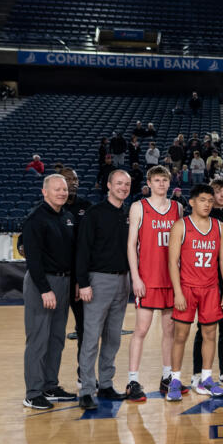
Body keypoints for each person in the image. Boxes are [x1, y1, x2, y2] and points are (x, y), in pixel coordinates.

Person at [166, 184, 223, 400]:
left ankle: (206, 378)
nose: (207, 204)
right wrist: (177, 292)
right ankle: (174, 381)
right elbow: (172, 262)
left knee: (210, 335)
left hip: (211, 288)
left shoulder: (218, 226)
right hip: (187, 288)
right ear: (192, 202)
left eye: (210, 201)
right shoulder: (180, 226)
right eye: (203, 200)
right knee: (181, 336)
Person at [125, 166, 184, 402]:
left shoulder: (177, 208)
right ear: (149, 182)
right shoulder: (139, 207)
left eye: (164, 180)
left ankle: (167, 377)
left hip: (171, 280)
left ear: (170, 183)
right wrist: (135, 277)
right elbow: (131, 245)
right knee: (141, 330)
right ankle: (132, 380)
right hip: (148, 279)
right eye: (156, 180)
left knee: (169, 331)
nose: (160, 184)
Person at [76, 170, 132, 410]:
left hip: (123, 281)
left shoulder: (128, 214)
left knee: (113, 338)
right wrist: (84, 283)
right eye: (119, 183)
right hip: (98, 281)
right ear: (108, 185)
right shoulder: (94, 213)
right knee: (91, 338)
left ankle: (106, 384)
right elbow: (82, 250)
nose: (123, 187)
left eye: (127, 184)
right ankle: (87, 390)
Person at [22, 174, 77, 409]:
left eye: (64, 189)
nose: (62, 193)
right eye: (57, 189)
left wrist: (73, 282)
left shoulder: (67, 217)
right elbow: (33, 259)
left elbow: (71, 255)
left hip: (64, 283)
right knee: (38, 339)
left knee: (56, 338)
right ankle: (33, 392)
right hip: (42, 284)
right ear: (45, 192)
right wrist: (45, 290)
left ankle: (50, 385)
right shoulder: (35, 219)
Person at [186, 179, 223, 389]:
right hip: (204, 279)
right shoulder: (203, 216)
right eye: (218, 191)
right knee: (203, 330)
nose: (222, 194)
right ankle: (198, 373)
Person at [57, 168, 91, 368]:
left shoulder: (87, 207)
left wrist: (82, 278)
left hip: (80, 278)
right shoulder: (50, 208)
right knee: (53, 329)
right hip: (57, 278)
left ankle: (83, 374)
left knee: (85, 329)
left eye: (76, 179)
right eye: (69, 179)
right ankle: (49, 381)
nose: (74, 182)